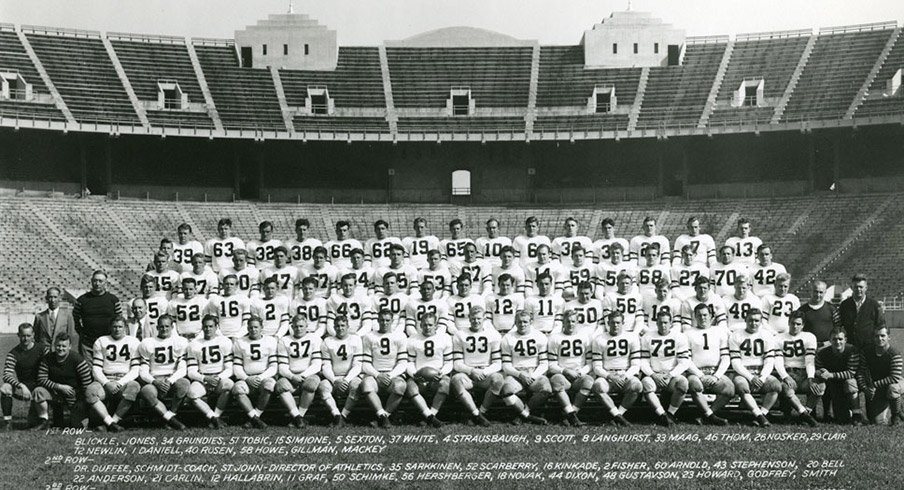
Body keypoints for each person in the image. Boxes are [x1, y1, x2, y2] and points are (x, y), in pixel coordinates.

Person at [450, 305, 502, 427]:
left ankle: (481, 412)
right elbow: (457, 363)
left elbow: (497, 363)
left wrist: (484, 372)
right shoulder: (460, 334)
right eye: (473, 318)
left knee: (498, 379)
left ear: (484, 318)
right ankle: (476, 415)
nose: (476, 321)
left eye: (479, 318)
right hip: (468, 374)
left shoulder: (493, 334)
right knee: (456, 380)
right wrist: (471, 370)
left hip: (485, 373)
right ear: (469, 318)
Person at [85, 316, 140, 432]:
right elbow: (96, 368)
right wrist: (107, 383)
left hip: (124, 380)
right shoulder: (101, 341)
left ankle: (113, 422)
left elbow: (135, 370)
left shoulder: (133, 342)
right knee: (90, 391)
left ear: (125, 328)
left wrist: (119, 383)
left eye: (120, 327)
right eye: (114, 327)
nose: (117, 329)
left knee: (134, 387)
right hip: (106, 379)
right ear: (110, 328)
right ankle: (111, 423)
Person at [729, 308, 781, 427]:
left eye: (757, 321)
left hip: (761, 371)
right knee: (742, 387)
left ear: (761, 322)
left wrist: (761, 378)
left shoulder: (767, 335)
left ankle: (761, 414)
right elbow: (735, 362)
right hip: (743, 372)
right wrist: (751, 377)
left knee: (776, 386)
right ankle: (760, 416)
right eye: (751, 320)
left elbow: (769, 360)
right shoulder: (736, 335)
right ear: (745, 320)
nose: (754, 323)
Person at [136, 315, 189, 430]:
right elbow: (143, 371)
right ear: (157, 327)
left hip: (172, 378)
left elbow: (182, 368)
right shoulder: (148, 343)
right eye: (161, 326)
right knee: (146, 391)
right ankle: (171, 420)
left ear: (172, 327)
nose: (164, 329)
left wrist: (169, 381)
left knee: (184, 384)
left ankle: (170, 415)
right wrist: (155, 382)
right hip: (155, 379)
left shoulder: (179, 342)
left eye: (167, 326)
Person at [639, 310, 690, 427]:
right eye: (660, 322)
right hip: (654, 374)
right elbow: (643, 361)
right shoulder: (647, 337)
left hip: (671, 375)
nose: (663, 325)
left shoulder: (679, 337)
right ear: (656, 323)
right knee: (646, 383)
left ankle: (670, 414)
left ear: (671, 323)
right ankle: (662, 415)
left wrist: (670, 375)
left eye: (666, 322)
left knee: (683, 383)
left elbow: (684, 362)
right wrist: (653, 375)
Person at [591, 311, 642, 426]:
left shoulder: (632, 337)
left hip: (625, 374)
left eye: (618, 323)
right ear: (608, 323)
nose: (615, 325)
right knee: (597, 386)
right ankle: (618, 416)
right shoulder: (599, 339)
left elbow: (635, 365)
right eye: (612, 323)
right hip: (608, 375)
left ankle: (619, 415)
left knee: (637, 385)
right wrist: (609, 376)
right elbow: (597, 367)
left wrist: (625, 376)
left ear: (623, 323)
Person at [499, 310, 550, 425]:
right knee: (505, 391)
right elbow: (506, 365)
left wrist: (532, 376)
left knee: (546, 389)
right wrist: (520, 374)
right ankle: (528, 416)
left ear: (531, 322)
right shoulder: (508, 338)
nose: (522, 324)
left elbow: (544, 363)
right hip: (516, 373)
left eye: (525, 322)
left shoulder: (540, 336)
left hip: (534, 372)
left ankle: (523, 414)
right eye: (519, 322)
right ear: (515, 323)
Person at [359, 309, 409, 428]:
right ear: (377, 321)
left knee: (401, 386)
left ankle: (383, 416)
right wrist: (378, 375)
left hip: (393, 374)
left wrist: (390, 375)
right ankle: (383, 416)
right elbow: (365, 364)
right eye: (381, 320)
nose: (384, 323)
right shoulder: (369, 336)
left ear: (392, 321)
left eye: (387, 320)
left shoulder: (400, 336)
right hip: (375, 374)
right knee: (366, 385)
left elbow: (403, 363)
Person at [684, 305, 732, 425]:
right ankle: (711, 417)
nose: (702, 318)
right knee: (694, 385)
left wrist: (716, 376)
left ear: (711, 316)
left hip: (714, 372)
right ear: (695, 317)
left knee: (730, 389)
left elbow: (726, 357)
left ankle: (706, 415)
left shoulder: (720, 331)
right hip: (697, 372)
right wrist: (700, 375)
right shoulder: (688, 333)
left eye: (705, 315)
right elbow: (686, 360)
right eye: (699, 315)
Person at [34, 333, 93, 429]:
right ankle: (44, 421)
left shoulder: (78, 360)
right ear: (54, 346)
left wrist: (79, 398)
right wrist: (59, 387)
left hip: (74, 394)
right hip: (55, 393)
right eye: (58, 345)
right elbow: (41, 378)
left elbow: (87, 383)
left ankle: (81, 416)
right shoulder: (47, 358)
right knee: (38, 391)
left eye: (64, 346)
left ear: (69, 346)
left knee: (77, 426)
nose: (60, 348)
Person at [275, 313, 323, 428]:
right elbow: (282, 367)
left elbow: (316, 364)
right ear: (291, 327)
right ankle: (298, 418)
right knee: (280, 386)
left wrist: (303, 375)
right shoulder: (284, 340)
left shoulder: (314, 338)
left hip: (308, 374)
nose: (299, 329)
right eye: (296, 326)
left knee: (311, 385)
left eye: (301, 326)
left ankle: (299, 416)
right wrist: (292, 376)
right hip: (290, 375)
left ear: (306, 326)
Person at [186, 315, 233, 429]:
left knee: (229, 385)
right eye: (205, 326)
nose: (208, 329)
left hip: (218, 377)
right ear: (202, 327)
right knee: (192, 394)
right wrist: (205, 379)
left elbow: (229, 369)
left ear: (216, 327)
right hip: (203, 379)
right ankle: (214, 418)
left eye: (211, 326)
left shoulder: (224, 341)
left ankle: (216, 416)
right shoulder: (194, 344)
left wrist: (218, 378)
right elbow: (191, 371)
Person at [773, 312, 819, 426]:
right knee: (786, 388)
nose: (795, 326)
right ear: (788, 323)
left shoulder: (809, 337)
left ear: (803, 325)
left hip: (804, 373)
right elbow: (778, 361)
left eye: (798, 324)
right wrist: (785, 376)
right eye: (792, 323)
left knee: (820, 386)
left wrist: (810, 377)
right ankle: (804, 415)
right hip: (789, 372)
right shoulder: (778, 338)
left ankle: (806, 413)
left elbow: (809, 360)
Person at [231, 316, 278, 429]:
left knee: (269, 385)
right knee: (237, 389)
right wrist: (247, 378)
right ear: (247, 328)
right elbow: (237, 367)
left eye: (256, 327)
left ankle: (254, 418)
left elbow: (273, 366)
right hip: (246, 378)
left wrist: (260, 378)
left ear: (262, 327)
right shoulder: (240, 342)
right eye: (251, 327)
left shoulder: (270, 341)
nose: (253, 330)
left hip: (263, 376)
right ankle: (255, 419)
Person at [547, 310, 593, 426]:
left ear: (577, 322)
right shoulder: (555, 338)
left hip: (578, 375)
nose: (570, 324)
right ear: (563, 322)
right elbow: (551, 365)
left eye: (573, 321)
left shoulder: (585, 337)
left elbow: (590, 363)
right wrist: (565, 370)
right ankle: (572, 416)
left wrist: (581, 372)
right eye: (568, 321)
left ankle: (570, 414)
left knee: (589, 381)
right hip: (562, 375)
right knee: (556, 380)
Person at [1, 324, 48, 429]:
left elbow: (52, 369)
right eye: (23, 336)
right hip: (24, 387)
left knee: (33, 422)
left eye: (28, 335)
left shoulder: (42, 349)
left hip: (41, 386)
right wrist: (21, 385)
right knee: (5, 388)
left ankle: (45, 419)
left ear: (33, 335)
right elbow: (7, 375)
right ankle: (7, 422)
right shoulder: (13, 353)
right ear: (18, 335)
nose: (25, 338)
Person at [319, 316, 363, 427]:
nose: (340, 328)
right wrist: (334, 380)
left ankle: (343, 415)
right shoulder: (328, 341)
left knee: (357, 386)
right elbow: (326, 366)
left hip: (350, 376)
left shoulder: (355, 339)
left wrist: (346, 380)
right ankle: (336, 415)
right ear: (334, 327)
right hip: (333, 377)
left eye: (343, 325)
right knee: (323, 386)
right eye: (337, 326)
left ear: (348, 327)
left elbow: (357, 365)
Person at [813, 328, 862, 424]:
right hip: (832, 384)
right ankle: (826, 412)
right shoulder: (822, 353)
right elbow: (817, 369)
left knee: (850, 382)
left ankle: (856, 414)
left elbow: (851, 373)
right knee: (842, 419)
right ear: (830, 340)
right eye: (834, 339)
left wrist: (830, 375)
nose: (837, 342)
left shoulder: (852, 350)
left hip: (847, 383)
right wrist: (820, 373)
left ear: (845, 340)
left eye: (840, 339)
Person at [857, 327, 903, 425]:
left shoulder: (894, 353)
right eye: (876, 336)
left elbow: (894, 377)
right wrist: (865, 389)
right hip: (876, 387)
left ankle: (896, 414)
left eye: (883, 336)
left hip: (894, 382)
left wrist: (873, 385)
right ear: (873, 338)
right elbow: (861, 371)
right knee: (877, 421)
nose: (879, 338)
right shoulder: (866, 352)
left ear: (888, 337)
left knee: (893, 388)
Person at [73, 270, 122, 360]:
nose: (97, 284)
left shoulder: (113, 300)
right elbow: (75, 319)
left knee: (107, 369)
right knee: (88, 371)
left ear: (105, 283)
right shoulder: (82, 300)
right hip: (87, 343)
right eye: (95, 281)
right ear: (91, 281)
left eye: (100, 281)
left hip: (108, 341)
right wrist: (82, 333)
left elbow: (119, 319)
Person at [839, 273, 886, 351]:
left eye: (861, 287)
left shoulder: (874, 305)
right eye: (856, 287)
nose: (858, 289)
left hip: (869, 348)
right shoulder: (844, 305)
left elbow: (881, 325)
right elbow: (840, 325)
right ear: (852, 287)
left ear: (866, 288)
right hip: (849, 347)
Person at [797, 280, 840, 347]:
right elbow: (798, 329)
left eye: (821, 292)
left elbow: (838, 328)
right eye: (815, 291)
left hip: (828, 347)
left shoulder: (832, 309)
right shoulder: (802, 310)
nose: (818, 295)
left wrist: (831, 342)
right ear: (811, 291)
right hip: (808, 346)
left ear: (825, 292)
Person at [208, 274, 252, 339]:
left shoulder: (243, 298)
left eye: (231, 284)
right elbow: (214, 323)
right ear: (222, 285)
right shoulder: (215, 300)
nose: (229, 286)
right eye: (226, 284)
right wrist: (221, 337)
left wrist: (237, 336)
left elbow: (246, 322)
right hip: (221, 336)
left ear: (236, 286)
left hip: (239, 336)